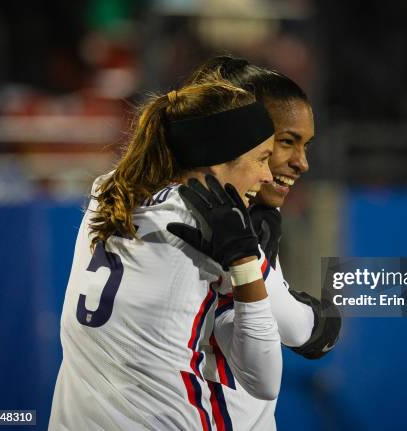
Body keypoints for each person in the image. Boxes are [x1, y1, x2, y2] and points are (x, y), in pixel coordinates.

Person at [49, 77, 284, 430]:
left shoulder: (109, 189)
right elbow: (266, 379)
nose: (268, 175)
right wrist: (248, 261)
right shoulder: (217, 230)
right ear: (219, 160)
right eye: (262, 158)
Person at [185, 56, 342, 430]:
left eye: (306, 144)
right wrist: (321, 323)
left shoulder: (248, 214)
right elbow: (294, 330)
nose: (302, 163)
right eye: (286, 142)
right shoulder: (216, 222)